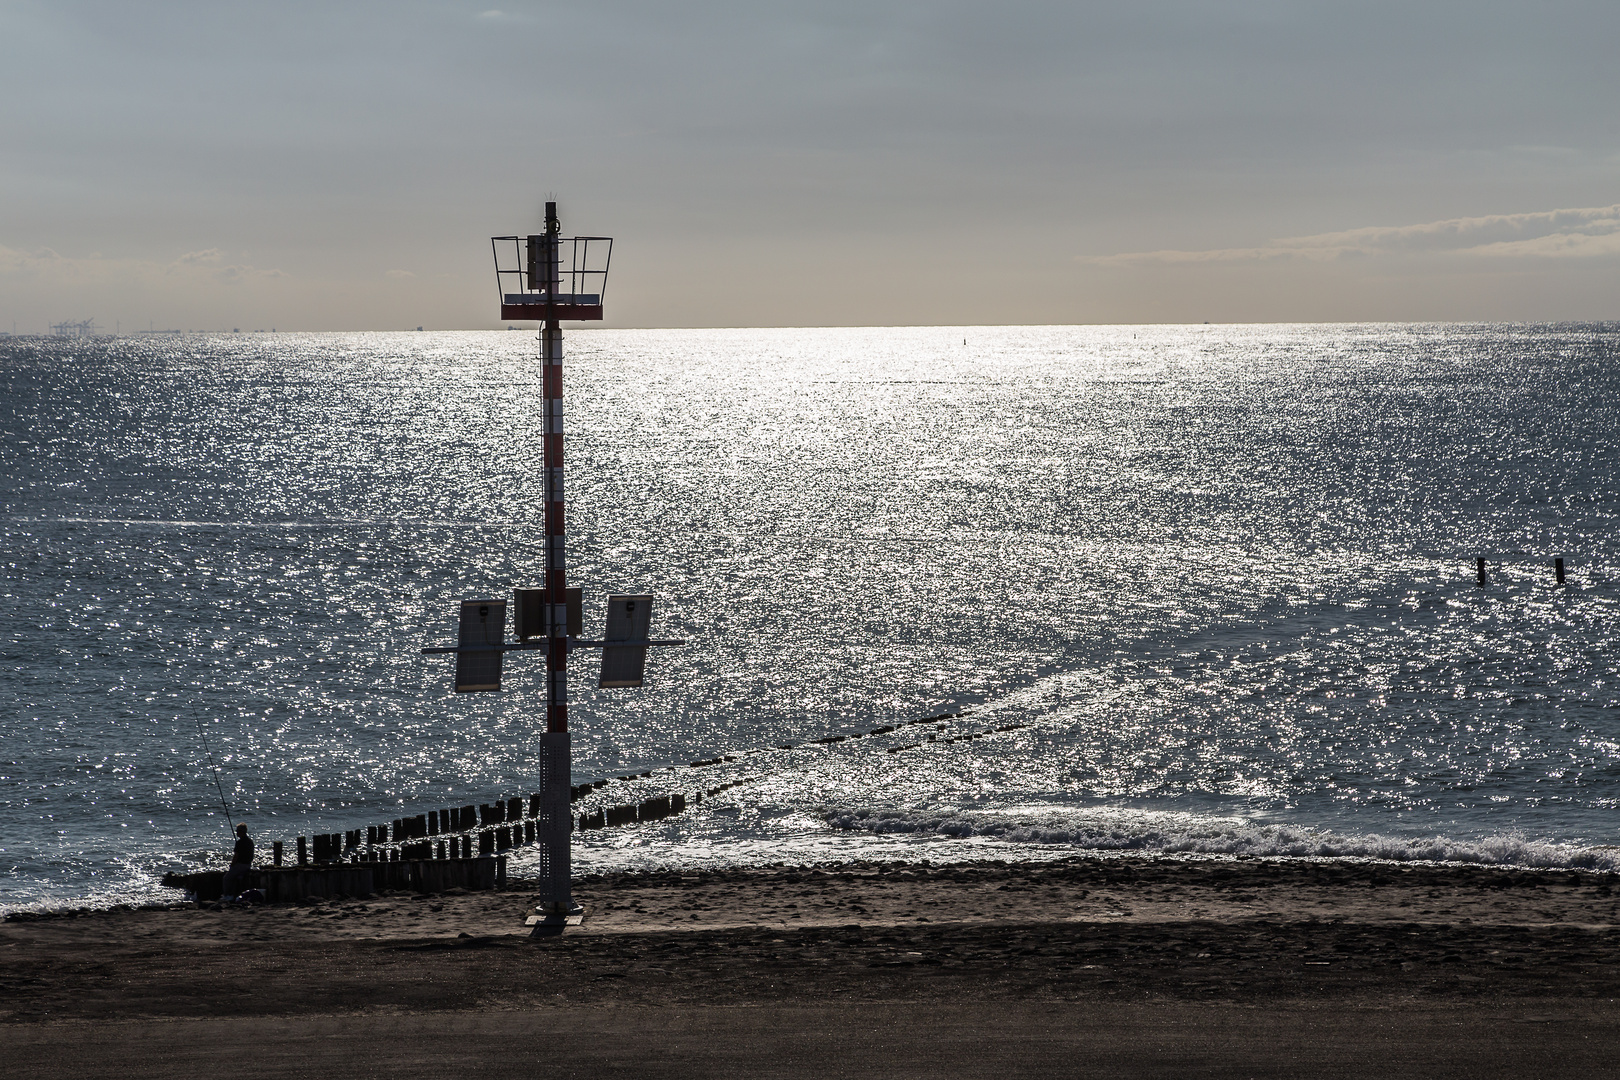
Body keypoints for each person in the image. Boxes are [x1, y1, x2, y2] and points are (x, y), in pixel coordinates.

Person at [223, 823, 253, 899]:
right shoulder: (250, 841)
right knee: (235, 878)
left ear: (241, 832)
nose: (236, 833)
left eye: (238, 831)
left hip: (240, 865)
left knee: (226, 878)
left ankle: (226, 895)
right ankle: (233, 895)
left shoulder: (239, 843)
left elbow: (236, 856)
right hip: (248, 865)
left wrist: (232, 865)